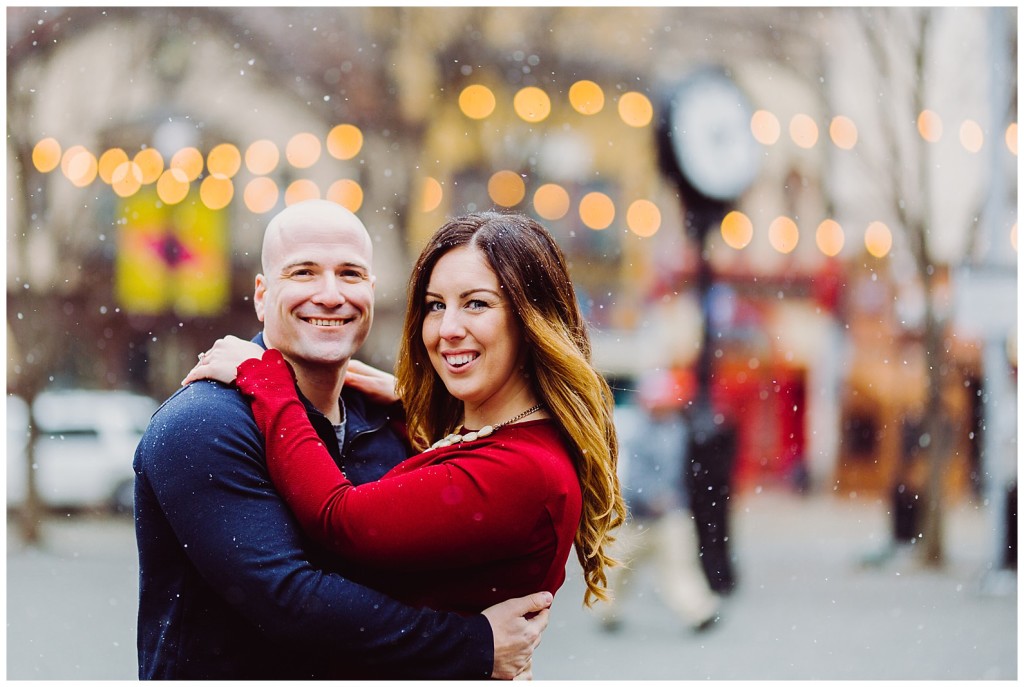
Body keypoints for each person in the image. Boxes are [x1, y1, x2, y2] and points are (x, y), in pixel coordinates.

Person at [133, 200, 551, 680]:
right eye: (304, 273)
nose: (331, 296)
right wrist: (473, 644)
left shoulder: (388, 422)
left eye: (350, 274)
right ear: (261, 296)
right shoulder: (204, 422)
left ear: (371, 291)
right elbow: (285, 598)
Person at [183, 211, 627, 620]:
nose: (448, 329)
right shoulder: (512, 440)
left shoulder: (520, 470)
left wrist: (267, 381)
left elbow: (341, 519)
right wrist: (410, 401)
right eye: (436, 305)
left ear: (532, 320)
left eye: (476, 303)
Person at [596, 370, 720, 633]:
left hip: (669, 512)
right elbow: (632, 473)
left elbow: (680, 472)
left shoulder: (677, 429)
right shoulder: (635, 431)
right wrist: (650, 495)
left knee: (680, 568)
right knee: (618, 568)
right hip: (635, 515)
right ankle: (607, 610)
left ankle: (699, 611)